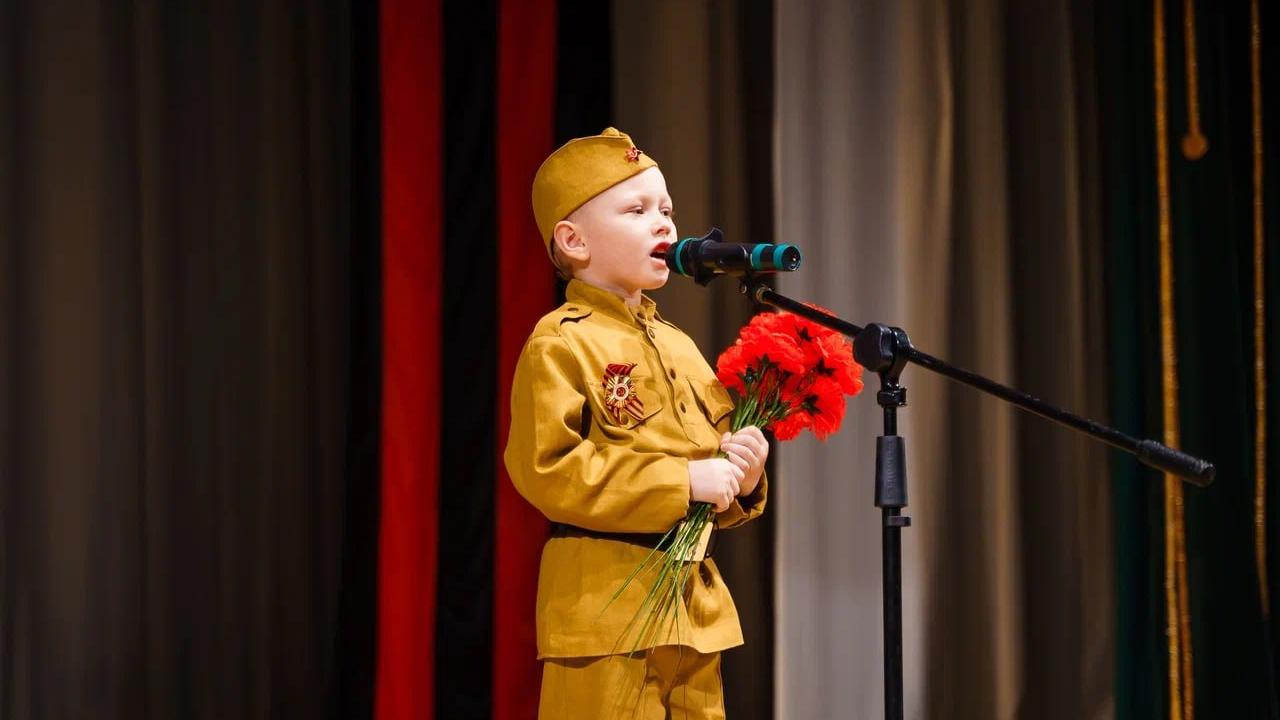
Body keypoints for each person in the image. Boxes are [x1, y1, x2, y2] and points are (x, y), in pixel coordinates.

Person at [504, 127, 769, 719]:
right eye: (637, 210)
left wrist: (743, 476)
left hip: (694, 612)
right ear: (574, 240)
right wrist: (682, 481)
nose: (664, 226)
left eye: (667, 210)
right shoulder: (561, 342)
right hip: (605, 615)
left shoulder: (679, 345)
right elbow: (548, 469)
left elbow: (711, 466)